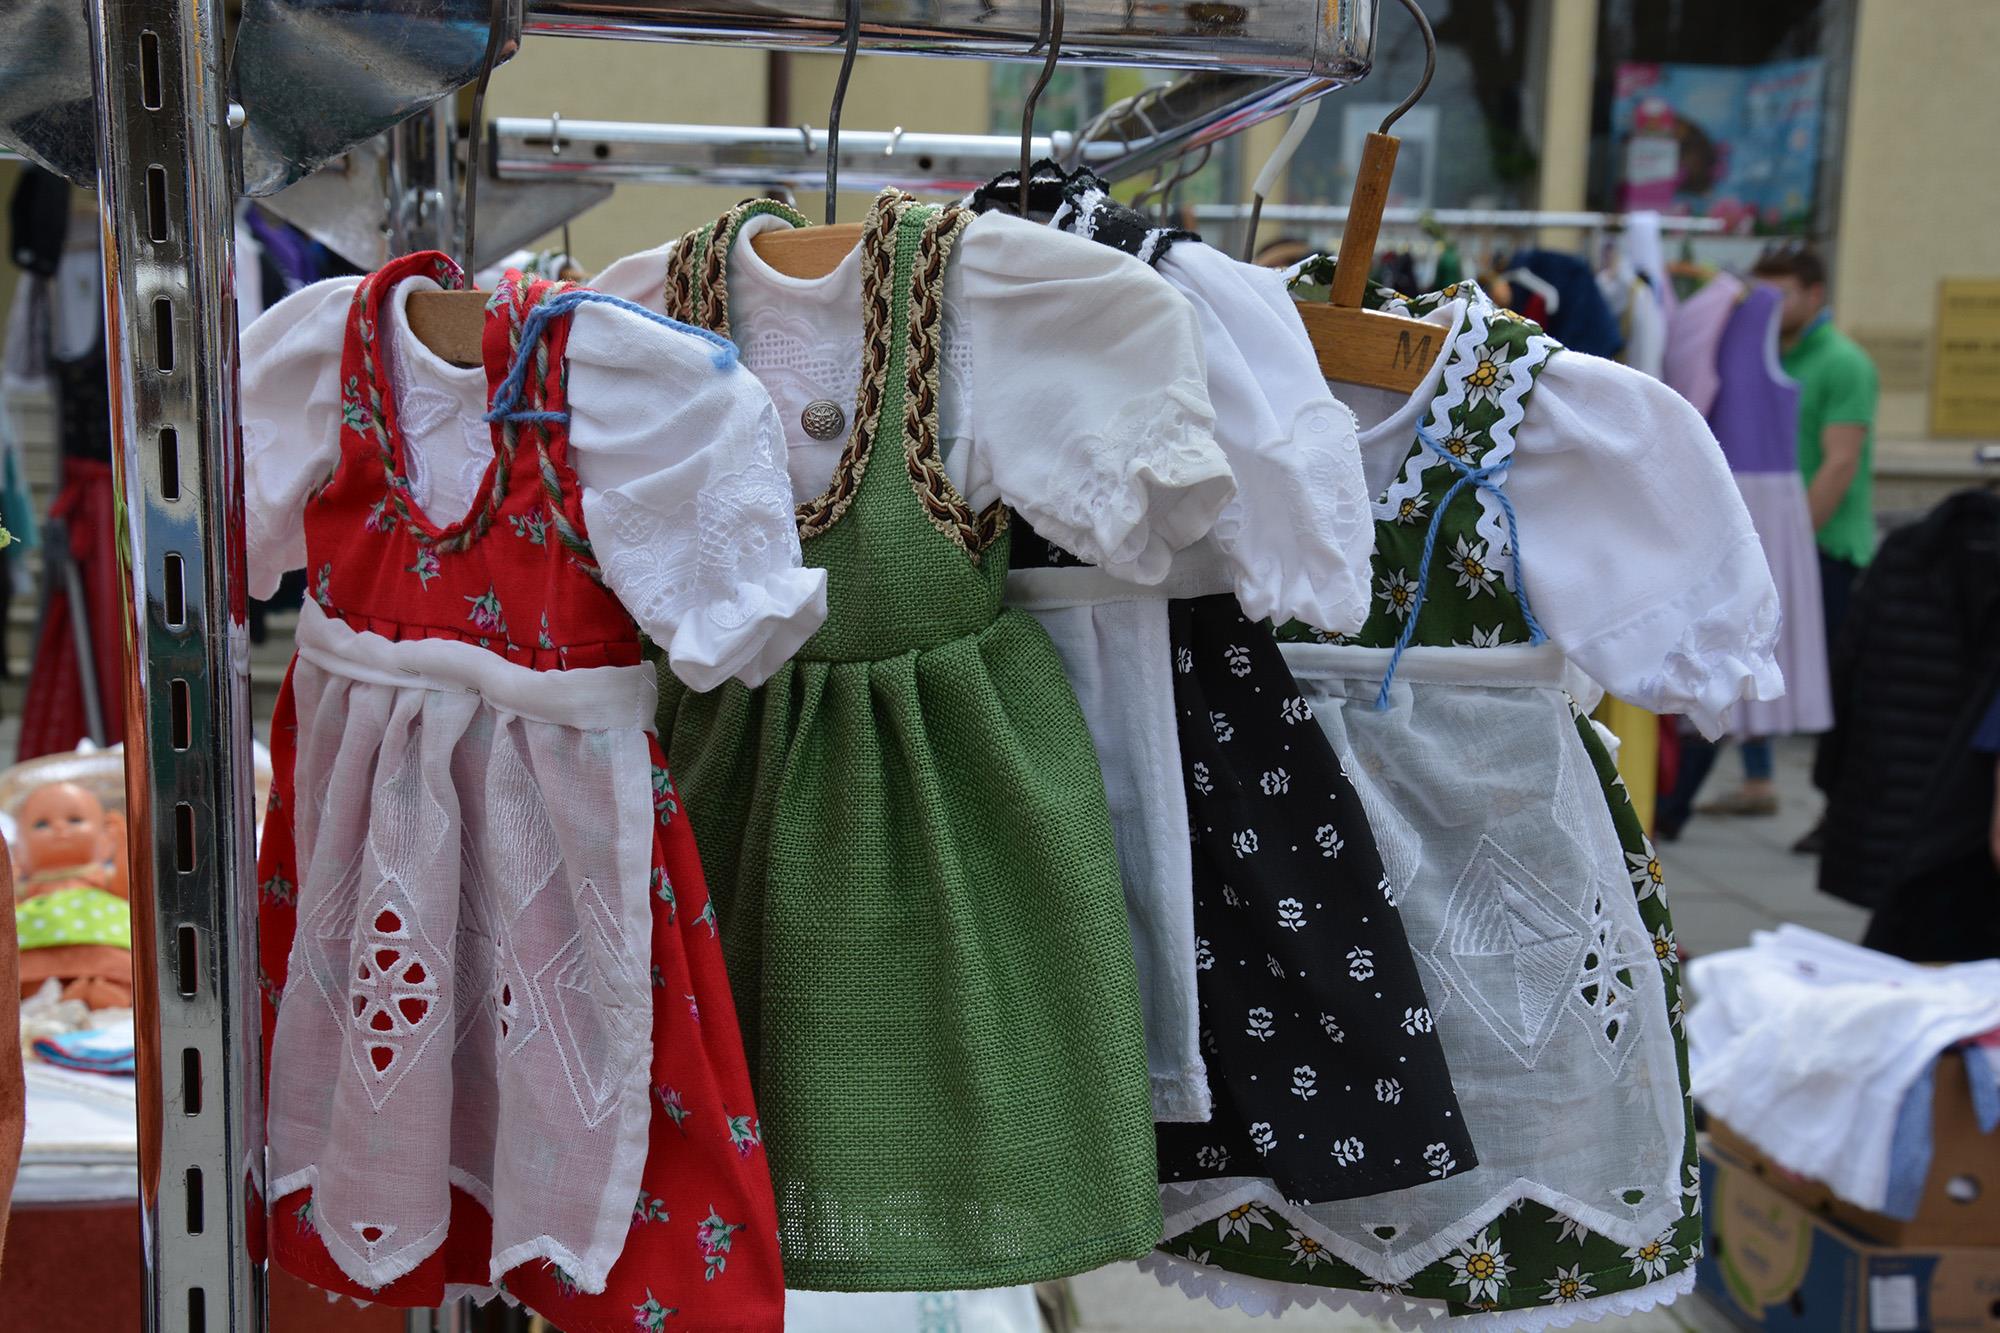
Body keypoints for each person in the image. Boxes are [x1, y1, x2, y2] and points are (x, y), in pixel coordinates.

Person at [1699, 246, 1878, 834]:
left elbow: (1840, 463)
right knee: (1754, 656)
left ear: (1815, 294)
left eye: (1783, 295)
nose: (1770, 307)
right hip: (1771, 536)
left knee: (1827, 675)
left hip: (1828, 546)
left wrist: (1789, 549)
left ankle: (1839, 810)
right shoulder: (1763, 350)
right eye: (1762, 294)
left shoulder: (1843, 362)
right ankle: (1758, 781)